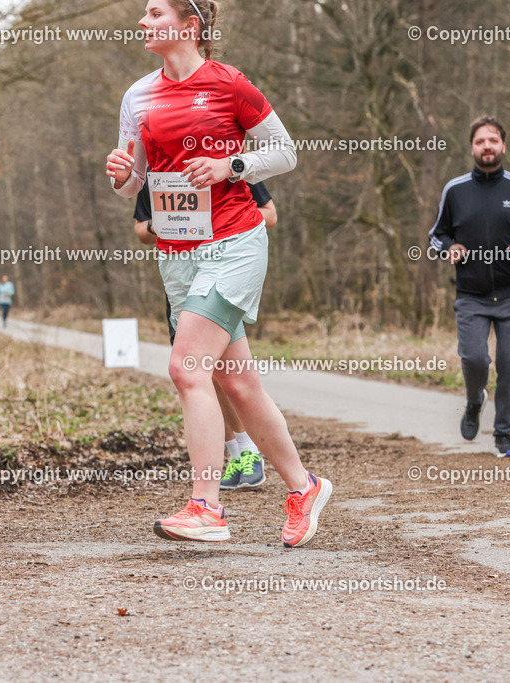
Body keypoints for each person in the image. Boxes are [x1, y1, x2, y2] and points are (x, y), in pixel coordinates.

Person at [107, 0, 331, 546]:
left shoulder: (230, 85)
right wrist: (119, 177)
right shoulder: (137, 95)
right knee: (236, 380)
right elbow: (134, 182)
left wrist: (230, 166)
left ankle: (206, 506)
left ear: (189, 26)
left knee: (187, 368)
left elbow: (284, 151)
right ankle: (305, 486)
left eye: (154, 12)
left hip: (233, 243)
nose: (142, 22)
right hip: (178, 252)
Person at [133, 176, 277, 490]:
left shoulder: (229, 160)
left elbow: (269, 214)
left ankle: (251, 451)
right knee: (204, 374)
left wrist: (215, 222)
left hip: (220, 272)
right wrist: (166, 224)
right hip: (179, 277)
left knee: (227, 374)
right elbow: (142, 229)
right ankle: (237, 454)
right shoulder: (156, 173)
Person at [428, 116, 510, 457]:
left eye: (493, 140)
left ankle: (503, 435)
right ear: (471, 147)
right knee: (473, 358)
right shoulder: (455, 190)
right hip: (471, 294)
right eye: (480, 141)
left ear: (503, 146)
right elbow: (436, 236)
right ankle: (474, 401)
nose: (487, 146)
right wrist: (449, 248)